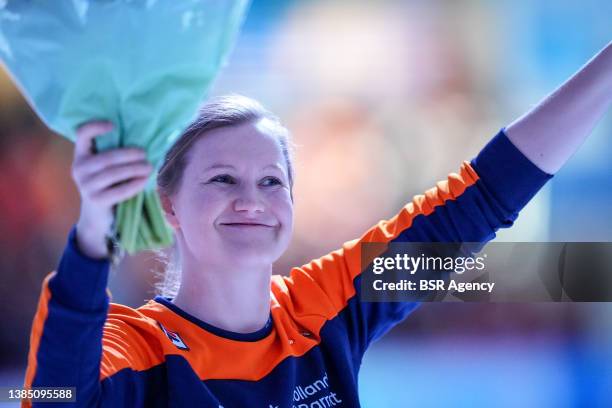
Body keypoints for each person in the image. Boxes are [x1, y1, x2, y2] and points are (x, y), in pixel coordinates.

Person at [23, 42, 611, 407]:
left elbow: (479, 202)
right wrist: (93, 235)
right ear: (169, 205)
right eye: (223, 179)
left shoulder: (324, 308)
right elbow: (51, 399)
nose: (252, 199)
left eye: (272, 181)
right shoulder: (136, 346)